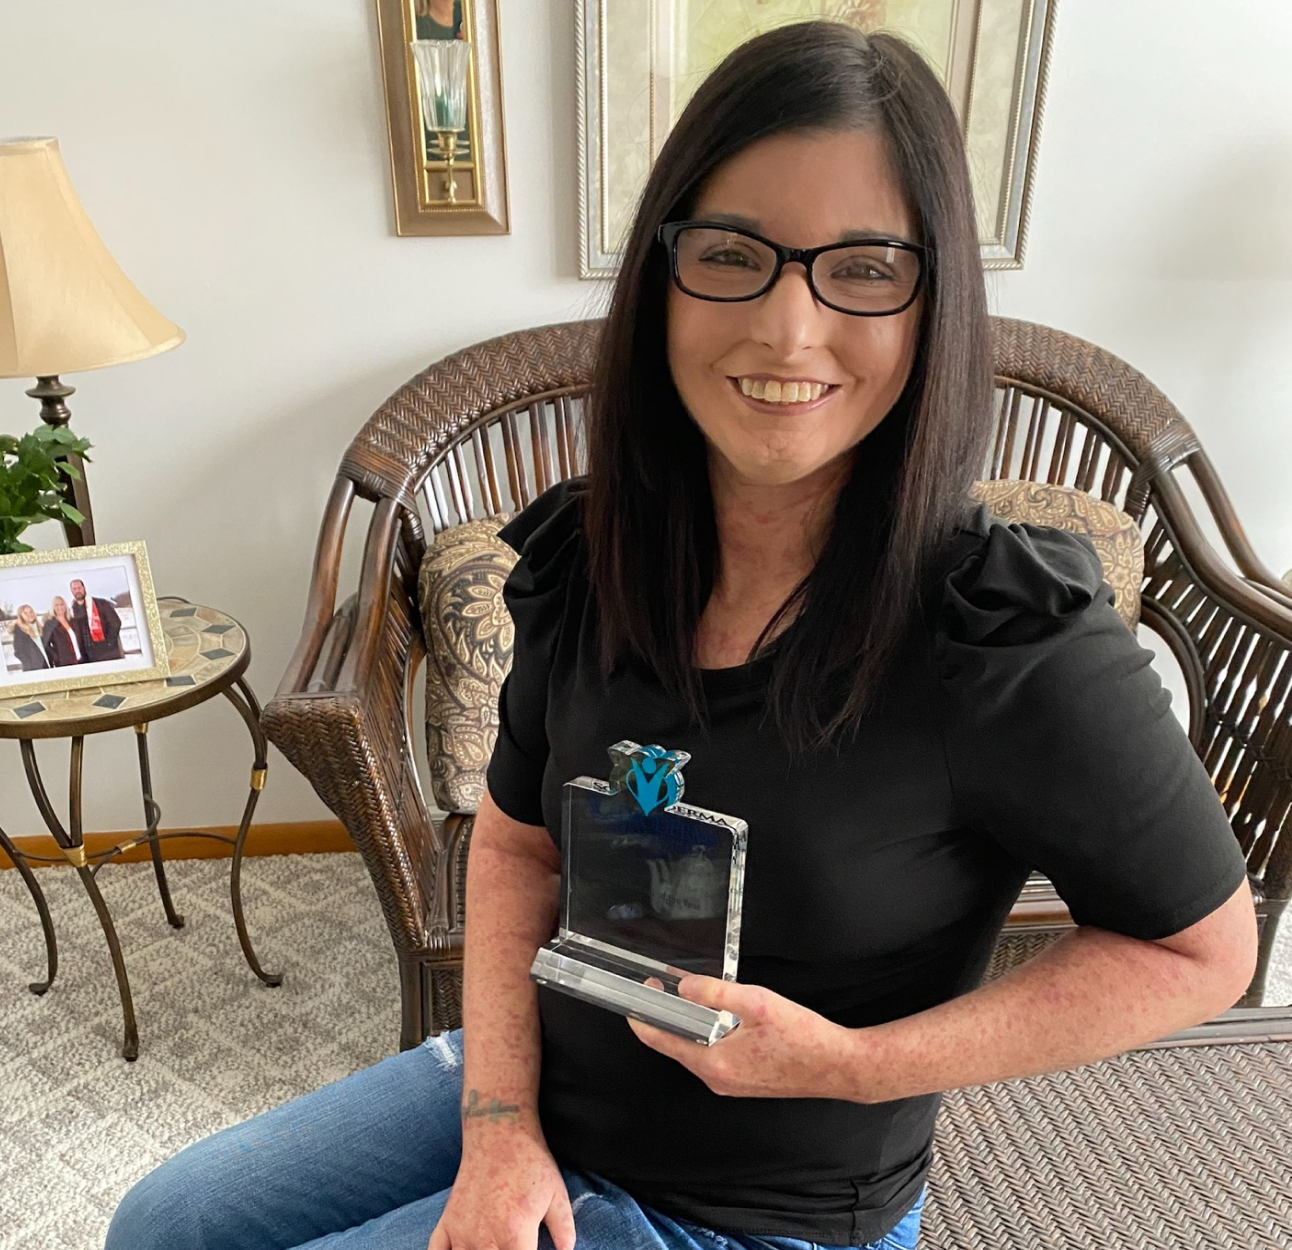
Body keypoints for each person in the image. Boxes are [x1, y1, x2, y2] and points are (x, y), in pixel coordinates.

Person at [106, 22, 1258, 1250]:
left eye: (862, 267)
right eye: (731, 254)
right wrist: (500, 1125)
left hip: (761, 1211)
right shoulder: (587, 552)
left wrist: (853, 1063)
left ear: (933, 303)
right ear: (660, 279)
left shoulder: (1000, 633)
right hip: (543, 1085)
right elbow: (514, 847)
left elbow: (1198, 952)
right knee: (163, 1224)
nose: (786, 327)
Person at [69, 577, 122, 662]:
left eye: (79, 588)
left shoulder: (100, 604)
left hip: (107, 653)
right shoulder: (72, 611)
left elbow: (115, 623)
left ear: (84, 588)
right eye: (74, 589)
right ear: (71, 591)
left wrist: (108, 643)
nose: (77, 591)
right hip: (87, 656)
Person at [41, 595, 82, 667]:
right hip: (63, 662)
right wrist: (56, 657)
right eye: (56, 605)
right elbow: (46, 644)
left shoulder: (73, 621)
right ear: (53, 608)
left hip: (79, 660)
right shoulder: (50, 624)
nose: (60, 607)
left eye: (62, 604)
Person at [8, 605, 48, 671]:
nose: (29, 614)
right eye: (25, 613)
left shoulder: (40, 628)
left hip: (46, 666)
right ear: (21, 616)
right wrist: (30, 664)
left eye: (31, 612)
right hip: (33, 669)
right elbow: (18, 652)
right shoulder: (20, 632)